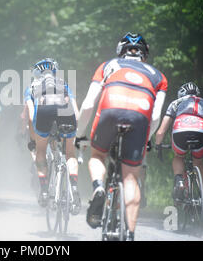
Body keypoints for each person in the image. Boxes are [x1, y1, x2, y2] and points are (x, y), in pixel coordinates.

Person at [75, 33, 168, 241]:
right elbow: (155, 116)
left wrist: (80, 135)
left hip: (110, 110)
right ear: (145, 54)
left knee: (98, 155)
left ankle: (99, 187)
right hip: (140, 116)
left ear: (120, 51)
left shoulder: (108, 66)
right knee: (130, 177)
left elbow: (89, 104)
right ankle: (131, 234)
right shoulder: (158, 76)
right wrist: (146, 138)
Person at [25, 58, 81, 215]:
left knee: (41, 150)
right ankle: (74, 186)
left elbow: (30, 116)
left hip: (43, 113)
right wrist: (76, 134)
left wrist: (33, 140)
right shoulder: (64, 85)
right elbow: (76, 113)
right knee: (70, 153)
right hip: (66, 113)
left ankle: (43, 189)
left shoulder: (31, 87)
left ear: (36, 74)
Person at [155, 82, 203, 203]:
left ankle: (179, 180)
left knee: (179, 156)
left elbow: (161, 131)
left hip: (181, 130)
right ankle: (202, 197)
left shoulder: (175, 103)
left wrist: (158, 145)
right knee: (199, 162)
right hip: (200, 131)